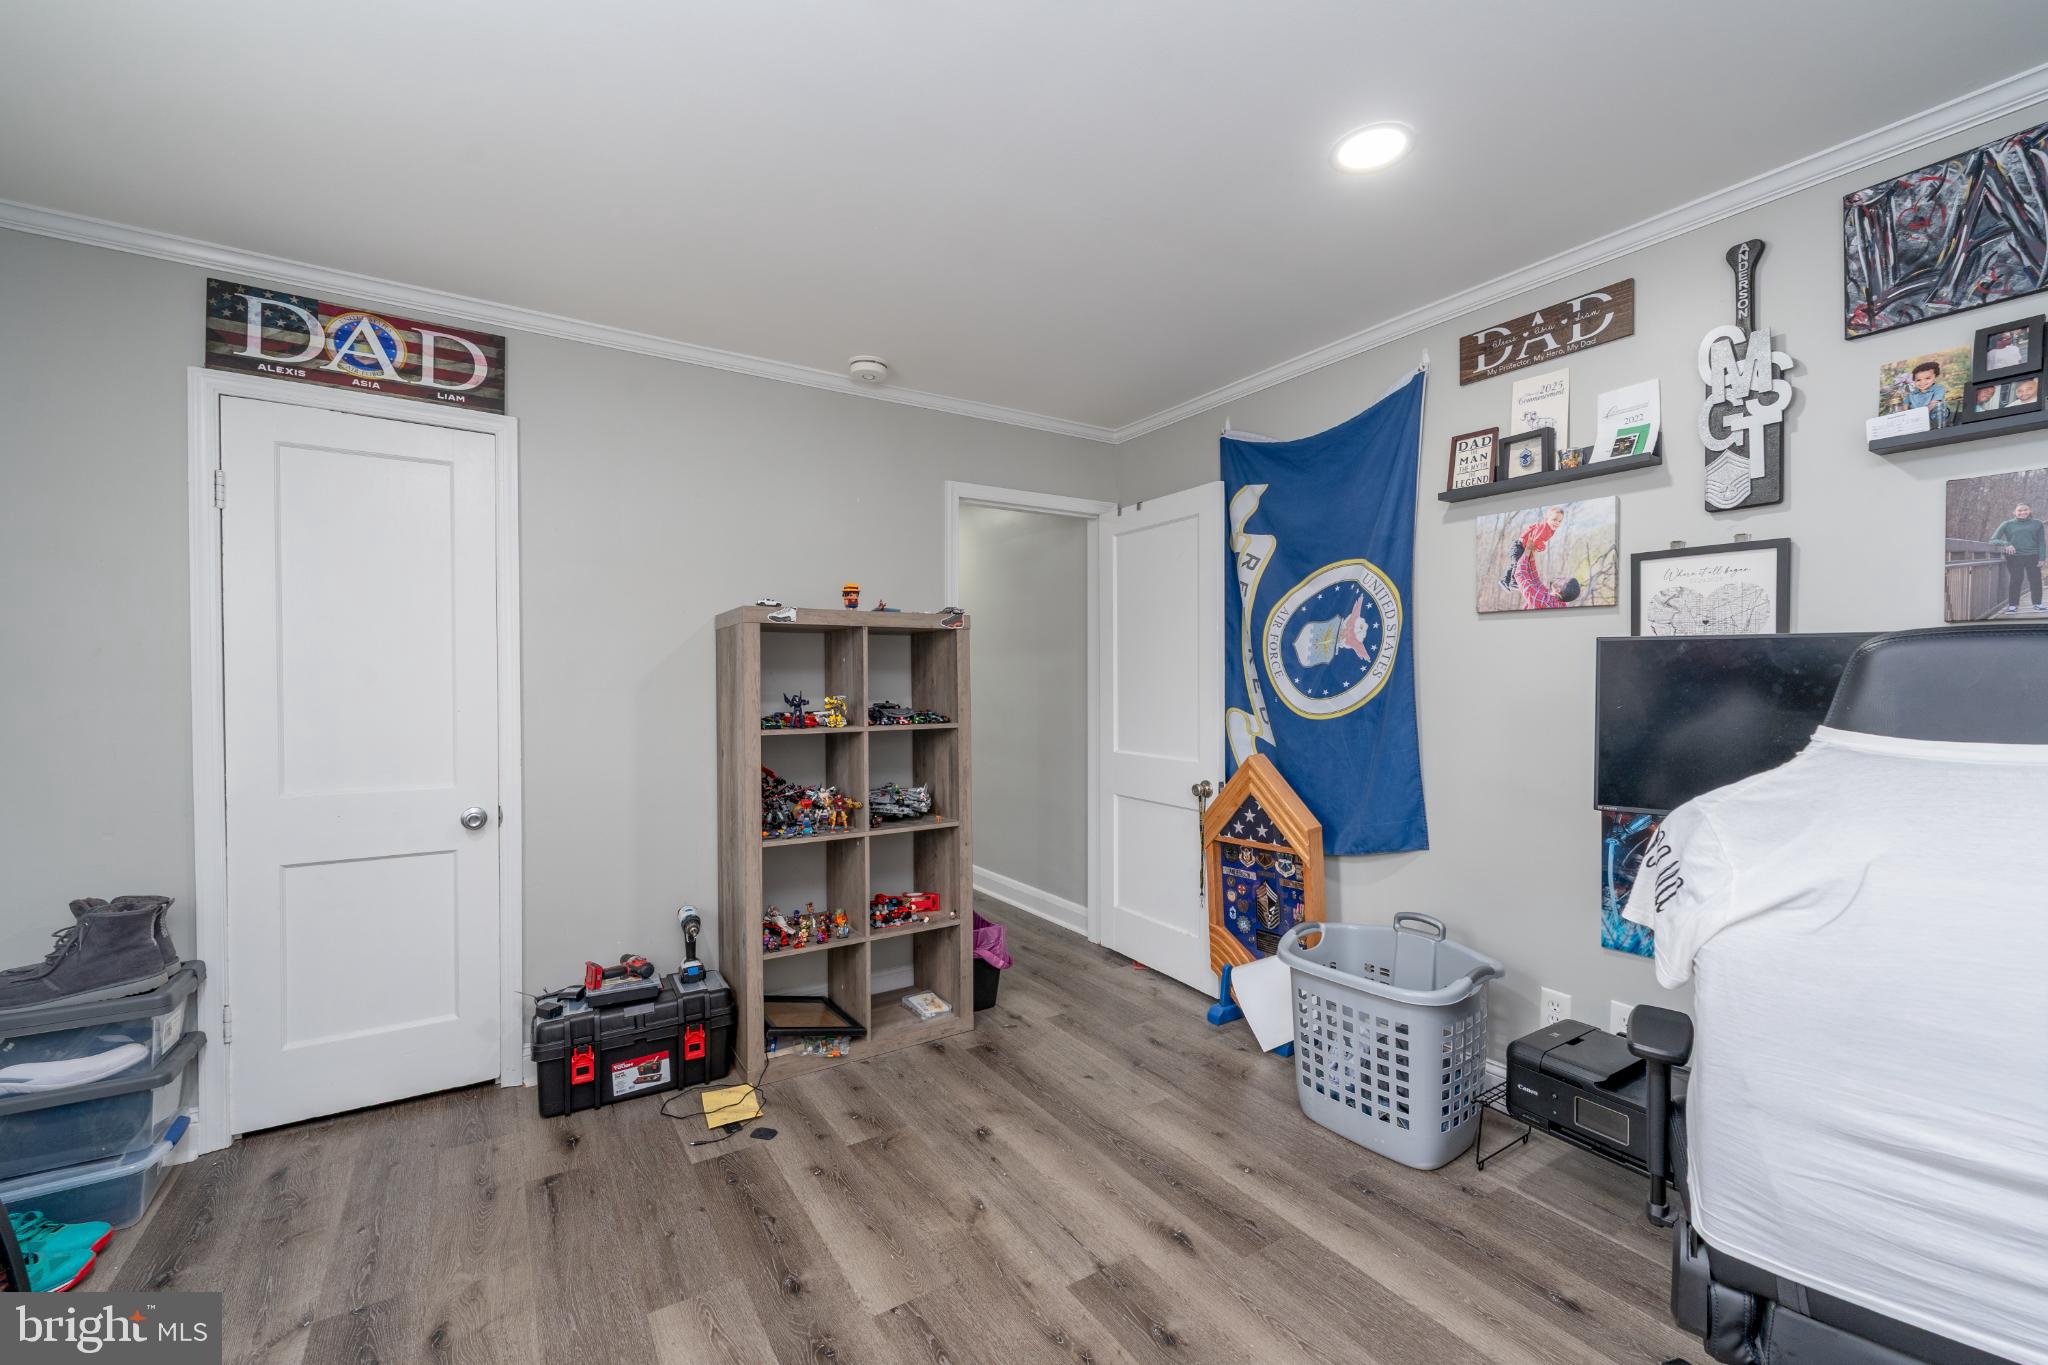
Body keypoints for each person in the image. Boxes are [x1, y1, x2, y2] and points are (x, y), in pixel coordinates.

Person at [1990, 500, 2047, 615]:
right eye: (2019, 510)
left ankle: (2037, 604)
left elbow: (2041, 542)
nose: (2022, 512)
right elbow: (1992, 540)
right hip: (2014, 557)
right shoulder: (2007, 524)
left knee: (2035, 580)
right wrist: (2006, 544)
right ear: (2014, 512)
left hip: (2033, 556)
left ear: (2030, 511)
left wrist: (2042, 558)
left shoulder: (2038, 523)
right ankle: (2013, 606)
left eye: (2025, 510)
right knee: (2016, 580)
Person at [1498, 504, 1565, 590]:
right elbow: (1535, 541)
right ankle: (1514, 581)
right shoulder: (1545, 527)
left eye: (1559, 521)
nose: (1557, 523)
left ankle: (1505, 581)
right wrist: (1542, 546)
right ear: (1547, 519)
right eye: (1554, 519)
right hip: (1519, 546)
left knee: (1516, 563)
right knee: (1518, 563)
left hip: (1523, 548)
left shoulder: (1551, 531)